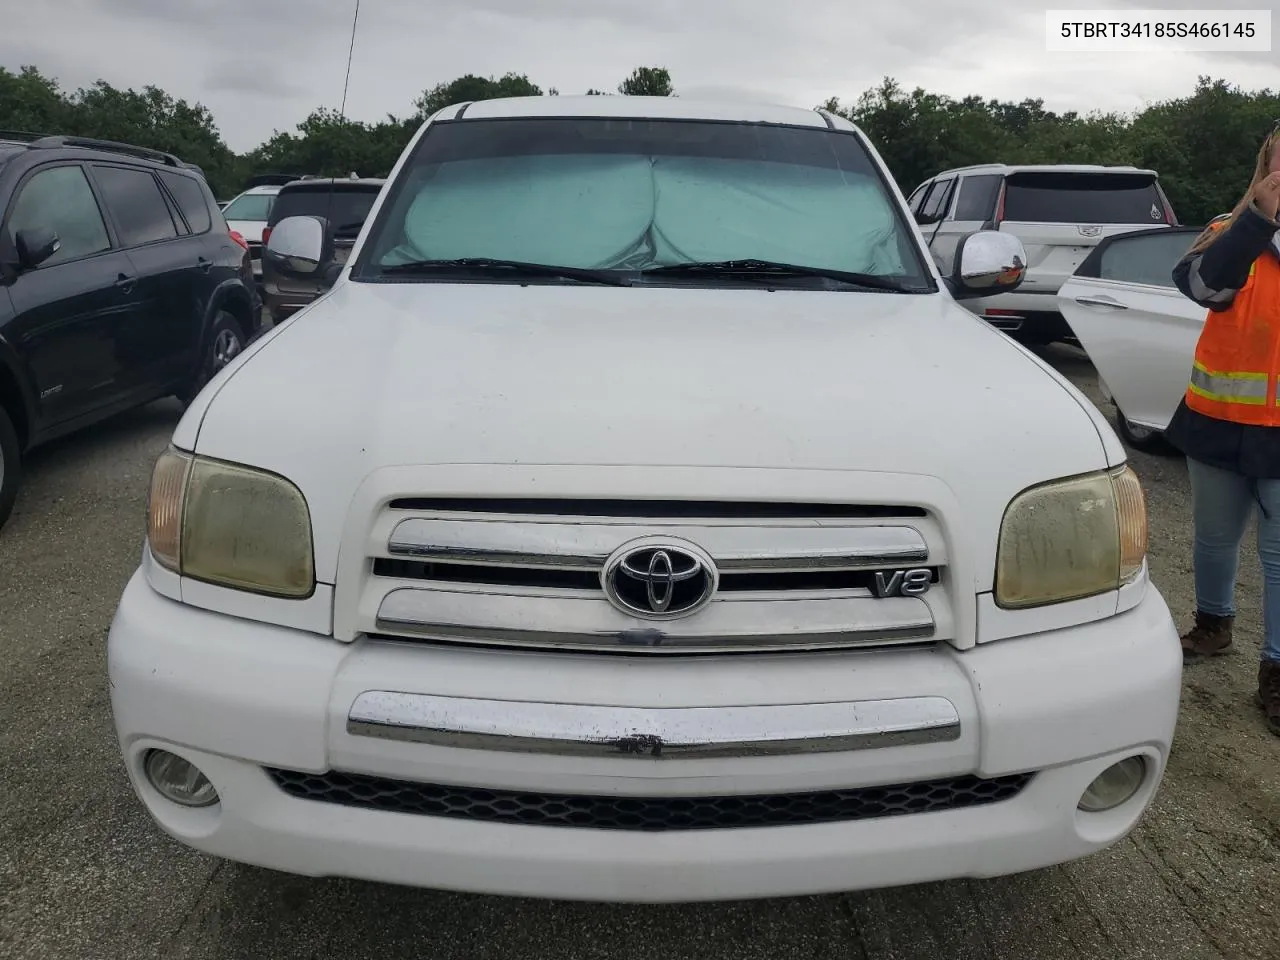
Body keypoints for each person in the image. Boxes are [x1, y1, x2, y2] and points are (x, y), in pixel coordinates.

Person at [1166, 121, 1280, 737]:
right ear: (1262, 172)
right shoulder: (1226, 231)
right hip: (1216, 421)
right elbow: (1203, 286)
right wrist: (1256, 221)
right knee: (1214, 539)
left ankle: (1277, 672)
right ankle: (1213, 626)